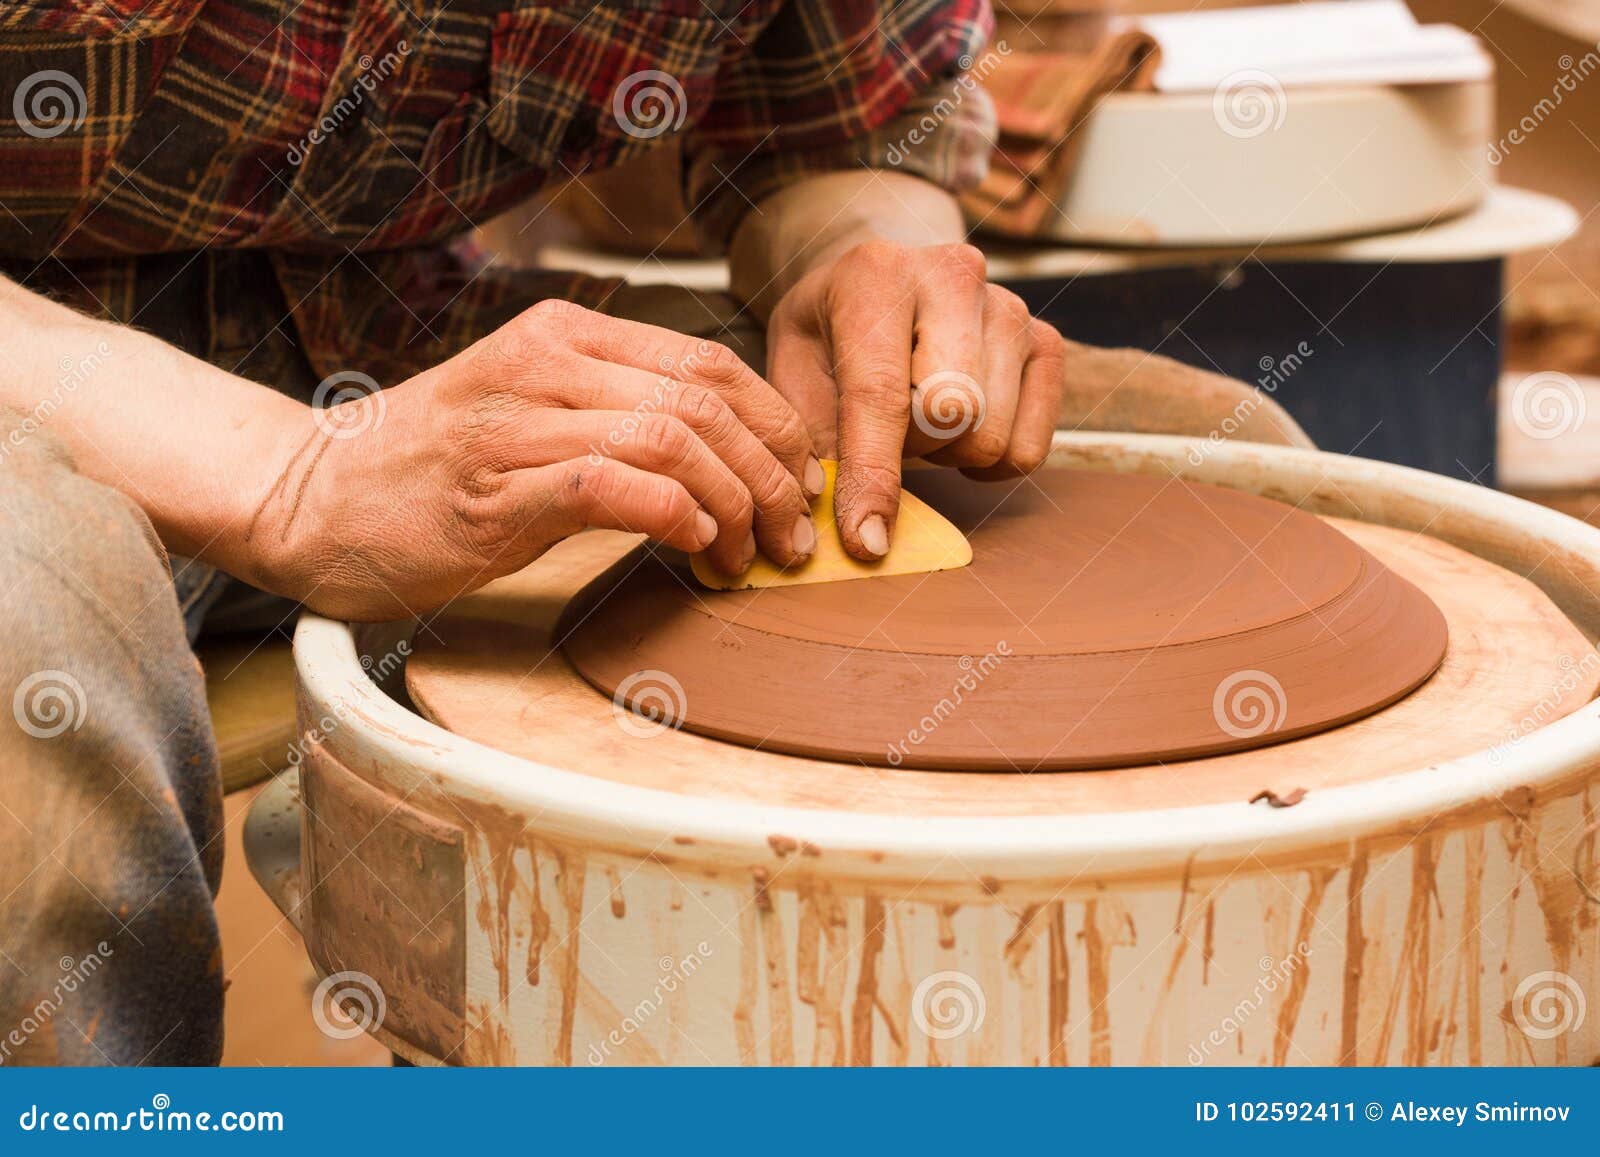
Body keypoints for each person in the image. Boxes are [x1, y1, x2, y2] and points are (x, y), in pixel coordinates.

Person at [0, 0, 1300, 1063]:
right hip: (40, 356)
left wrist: (858, 259)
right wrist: (289, 478)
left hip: (381, 324)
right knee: (35, 644)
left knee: (1223, 472)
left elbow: (835, 133)